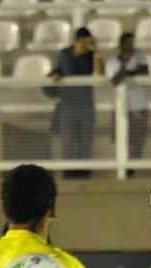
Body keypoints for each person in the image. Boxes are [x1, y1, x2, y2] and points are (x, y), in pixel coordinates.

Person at [49, 27, 102, 177]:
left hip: (86, 106)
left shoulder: (92, 56)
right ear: (77, 41)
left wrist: (96, 51)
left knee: (86, 142)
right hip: (68, 106)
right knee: (68, 142)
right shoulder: (64, 54)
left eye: (88, 43)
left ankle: (84, 174)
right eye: (84, 42)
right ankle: (68, 174)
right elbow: (61, 72)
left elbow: (99, 75)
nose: (86, 46)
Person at [106, 33, 151, 162]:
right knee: (119, 138)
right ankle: (124, 167)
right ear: (121, 45)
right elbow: (115, 81)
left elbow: (144, 72)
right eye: (127, 43)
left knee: (138, 140)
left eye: (132, 43)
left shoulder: (140, 56)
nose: (131, 46)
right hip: (120, 106)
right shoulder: (112, 61)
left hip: (139, 105)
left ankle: (133, 166)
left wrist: (125, 73)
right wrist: (125, 67)